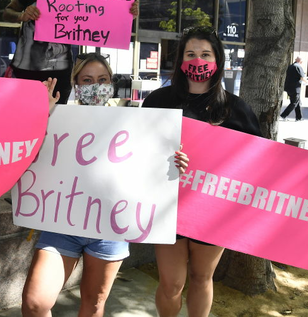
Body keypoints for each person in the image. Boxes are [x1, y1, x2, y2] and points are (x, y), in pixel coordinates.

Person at [21, 53, 188, 317]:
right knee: (35, 303)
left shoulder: (134, 124)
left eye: (102, 79)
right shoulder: (56, 117)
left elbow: (151, 167)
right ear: (76, 85)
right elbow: (27, 151)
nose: (95, 85)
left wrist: (172, 163)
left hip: (110, 227)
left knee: (94, 305)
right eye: (87, 80)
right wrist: (41, 113)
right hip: (62, 223)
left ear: (111, 83)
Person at [141, 27, 262, 317]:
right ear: (180, 60)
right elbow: (137, 150)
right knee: (171, 283)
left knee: (201, 277)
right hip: (167, 206)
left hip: (212, 210)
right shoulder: (158, 102)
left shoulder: (237, 110)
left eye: (205, 54)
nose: (198, 61)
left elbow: (265, 164)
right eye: (190, 54)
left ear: (218, 60)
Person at [2, 0, 138, 104]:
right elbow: (7, 12)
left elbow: (111, 26)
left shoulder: (87, 5)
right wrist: (22, 16)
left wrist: (128, 13)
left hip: (58, 80)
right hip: (20, 74)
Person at [280, 57, 308, 121]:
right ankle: (283, 115)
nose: (302, 62)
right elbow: (302, 77)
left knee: (297, 102)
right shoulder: (298, 67)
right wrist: (307, 82)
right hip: (295, 88)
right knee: (294, 102)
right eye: (302, 61)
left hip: (288, 87)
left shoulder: (290, 66)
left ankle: (299, 117)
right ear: (300, 61)